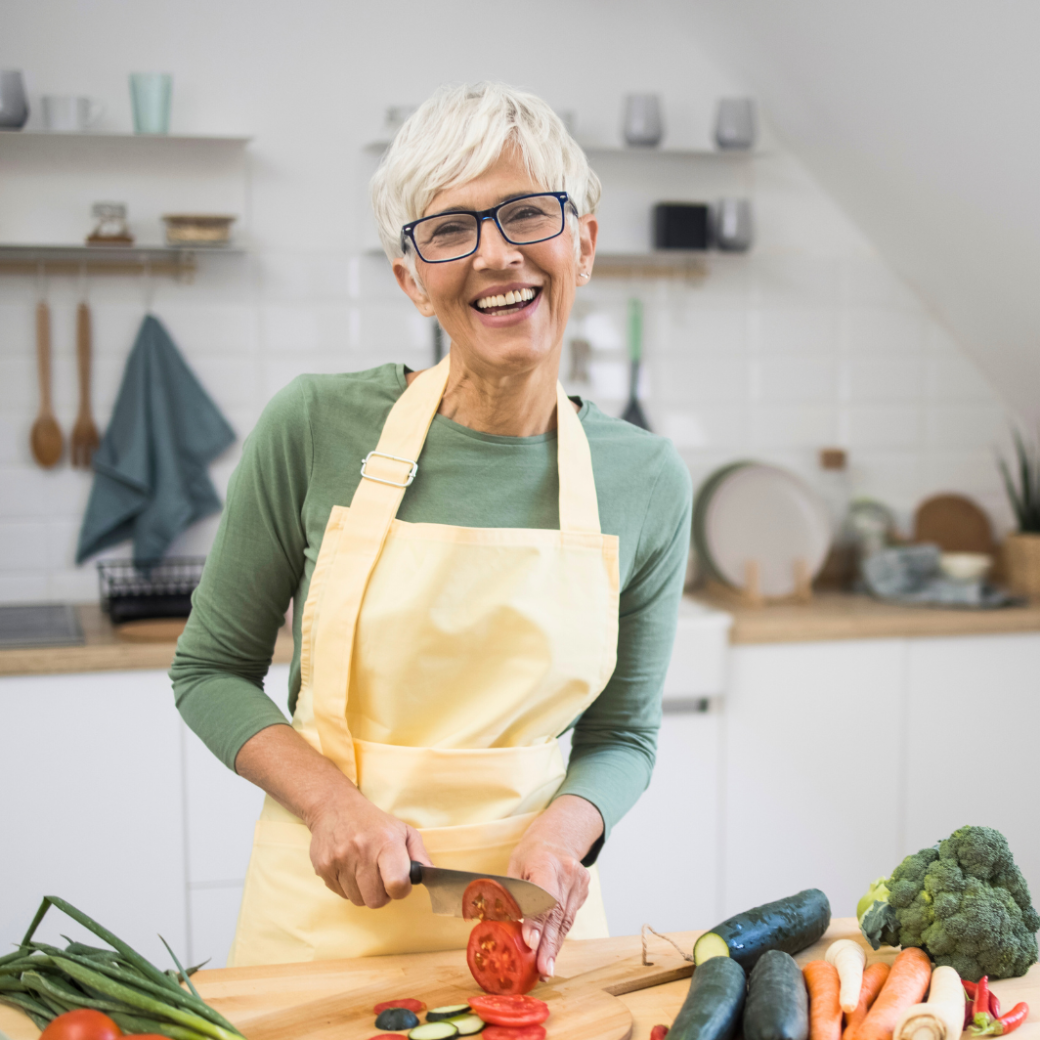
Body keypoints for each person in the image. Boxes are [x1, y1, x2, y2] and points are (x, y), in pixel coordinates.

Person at [170, 82, 692, 974]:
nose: (496, 256)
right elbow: (209, 671)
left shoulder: (645, 477)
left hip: (537, 927)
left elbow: (623, 737)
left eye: (528, 214)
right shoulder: (313, 425)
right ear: (412, 278)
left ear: (585, 244)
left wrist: (564, 836)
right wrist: (333, 804)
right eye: (450, 230)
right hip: (316, 931)